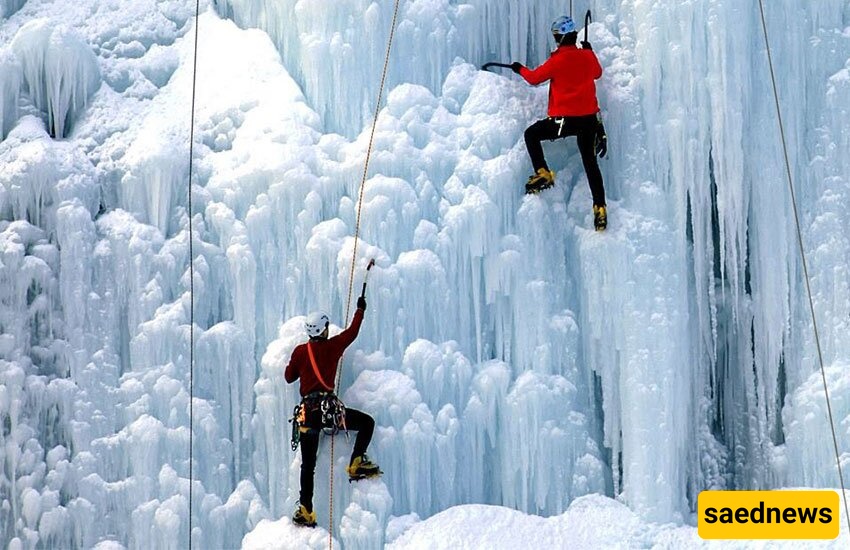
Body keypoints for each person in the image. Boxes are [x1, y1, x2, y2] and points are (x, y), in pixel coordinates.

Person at [285, 297, 381, 527]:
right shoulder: (333, 346)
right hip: (329, 412)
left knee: (308, 466)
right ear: (324, 329)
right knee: (367, 423)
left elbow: (289, 377)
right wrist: (360, 309)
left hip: (307, 415)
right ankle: (356, 462)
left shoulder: (300, 351)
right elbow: (352, 332)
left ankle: (306, 510)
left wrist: (299, 364)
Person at [510, 15, 609, 231]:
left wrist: (519, 68)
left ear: (559, 38)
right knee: (590, 163)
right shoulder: (586, 56)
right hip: (589, 121)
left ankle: (543, 173)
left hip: (564, 121)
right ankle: (600, 208)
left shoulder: (557, 61)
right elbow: (597, 73)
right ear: (574, 36)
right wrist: (589, 51)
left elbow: (534, 78)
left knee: (531, 134)